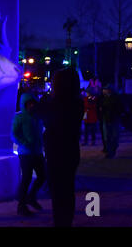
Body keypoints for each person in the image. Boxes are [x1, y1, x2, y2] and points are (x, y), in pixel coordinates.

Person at [38, 67, 84, 227]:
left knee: (57, 192)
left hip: (56, 152)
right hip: (71, 150)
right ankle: (66, 221)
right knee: (67, 189)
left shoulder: (55, 104)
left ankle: (60, 222)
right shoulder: (77, 102)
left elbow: (42, 114)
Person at [11, 93, 46, 217]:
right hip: (26, 153)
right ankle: (21, 206)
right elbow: (14, 134)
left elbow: (42, 131)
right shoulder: (20, 117)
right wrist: (25, 142)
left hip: (37, 152)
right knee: (26, 178)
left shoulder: (37, 117)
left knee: (42, 176)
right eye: (29, 103)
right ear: (24, 104)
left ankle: (31, 197)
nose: (31, 105)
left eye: (33, 103)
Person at [100, 84, 123, 158]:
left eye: (105, 89)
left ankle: (112, 151)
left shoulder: (116, 98)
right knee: (108, 137)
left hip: (114, 120)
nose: (104, 91)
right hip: (107, 119)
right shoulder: (104, 98)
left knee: (114, 136)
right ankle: (110, 152)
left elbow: (120, 108)